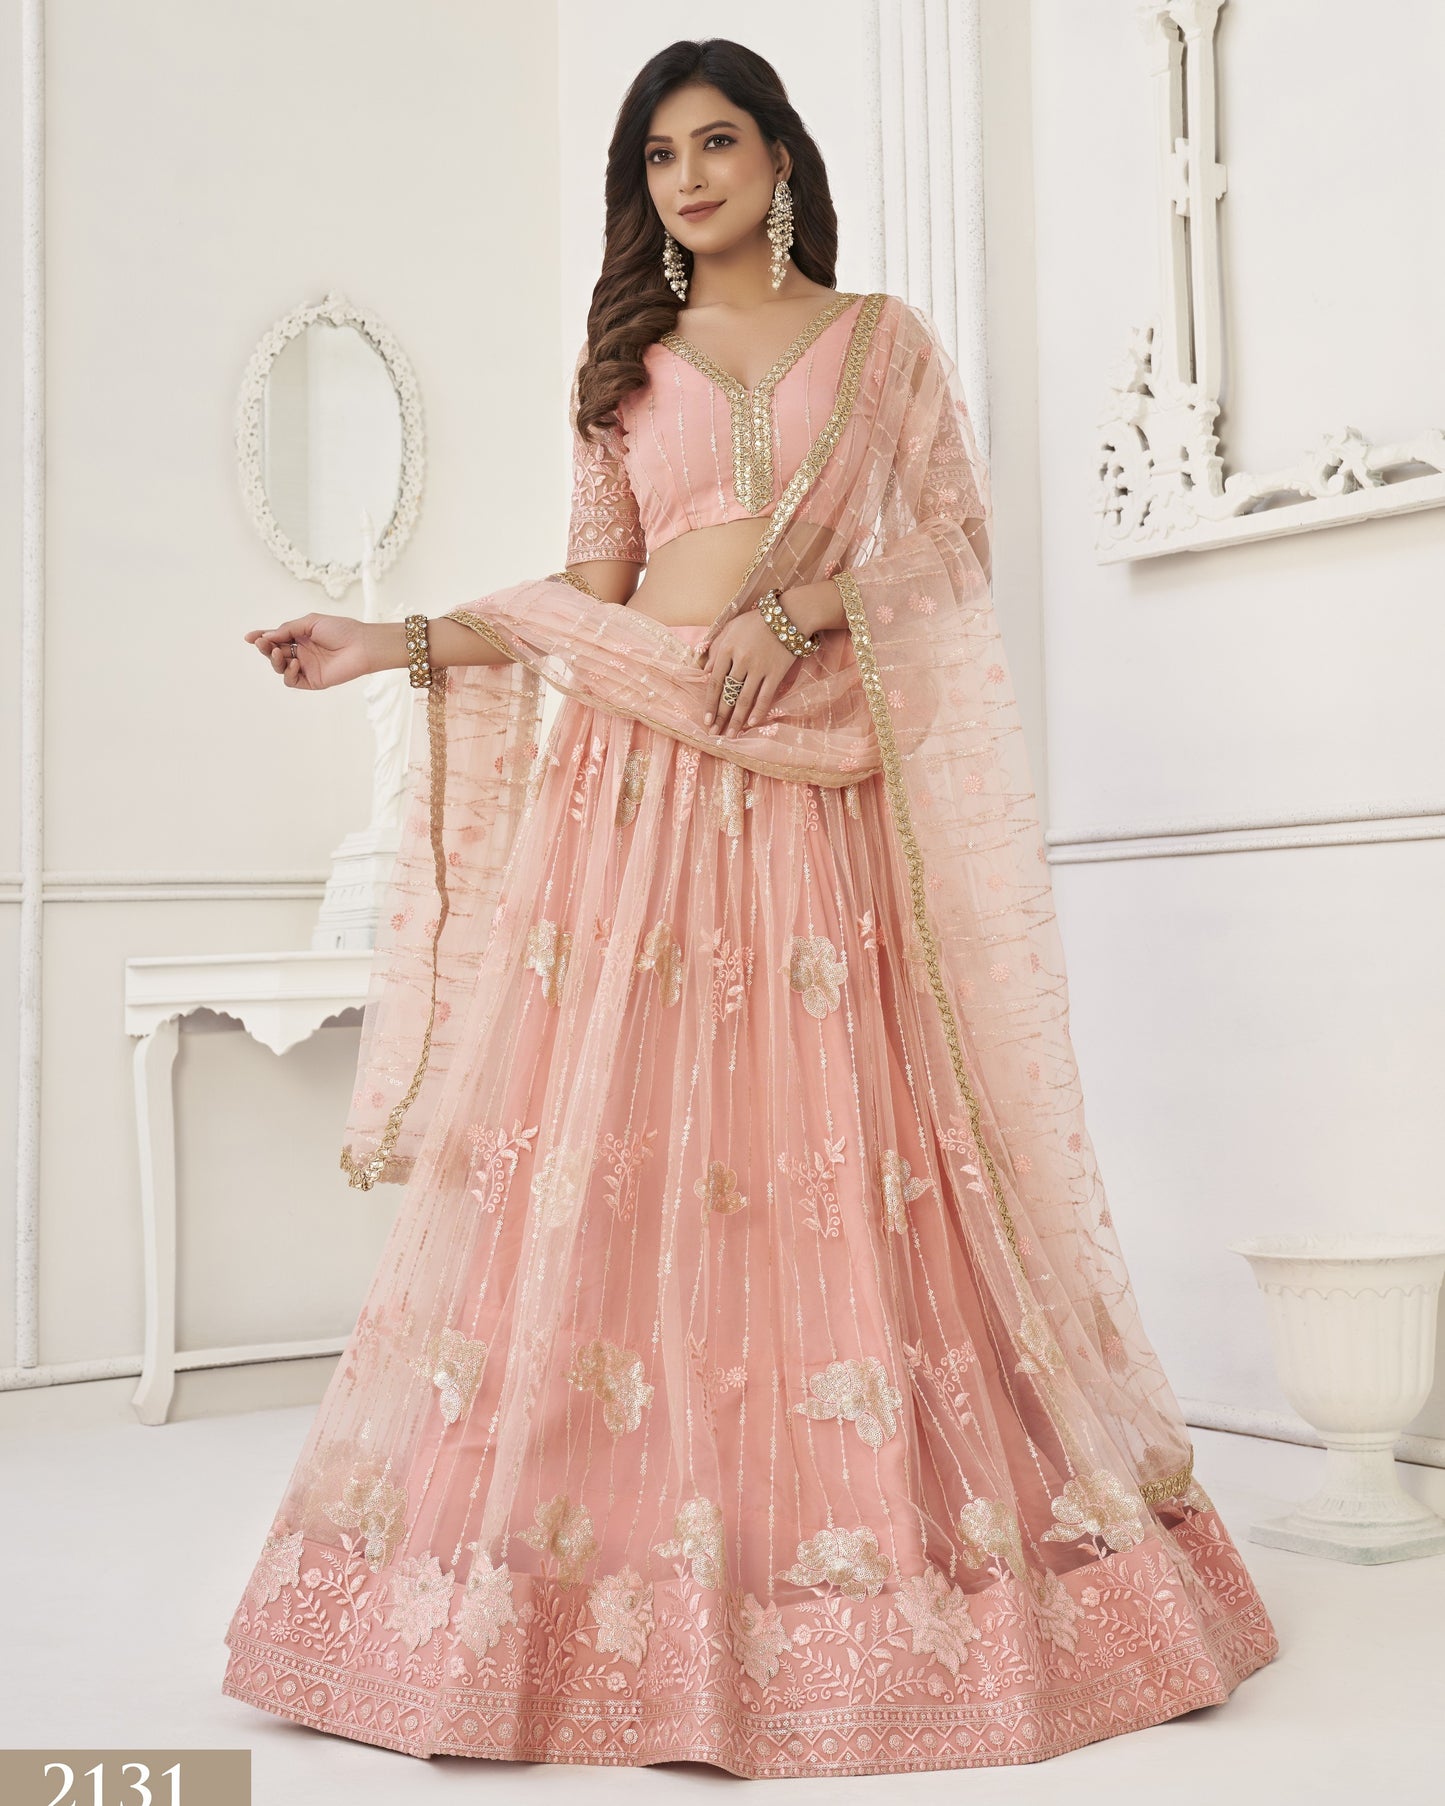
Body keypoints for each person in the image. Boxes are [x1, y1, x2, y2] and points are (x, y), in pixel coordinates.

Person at [220, 37, 1278, 1778]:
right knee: (623, 1151)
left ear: (781, 158)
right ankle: (594, 1576)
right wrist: (391, 641)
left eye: (718, 142)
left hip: (817, 778)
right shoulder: (628, 369)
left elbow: (946, 550)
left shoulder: (880, 348)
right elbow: (587, 591)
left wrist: (799, 615)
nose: (687, 176)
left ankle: (872, 1556)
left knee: (839, 1146)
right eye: (656, 155)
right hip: (641, 784)